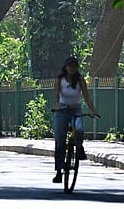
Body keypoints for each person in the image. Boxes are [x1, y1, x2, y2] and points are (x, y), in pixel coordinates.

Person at [52, 56, 100, 184]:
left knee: (79, 130)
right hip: (62, 111)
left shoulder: (80, 80)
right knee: (60, 141)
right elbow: (56, 97)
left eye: (74, 66)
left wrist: (93, 110)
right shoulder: (60, 79)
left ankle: (79, 148)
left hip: (76, 110)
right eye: (70, 66)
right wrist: (57, 107)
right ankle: (59, 171)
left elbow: (87, 97)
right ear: (66, 67)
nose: (72, 68)